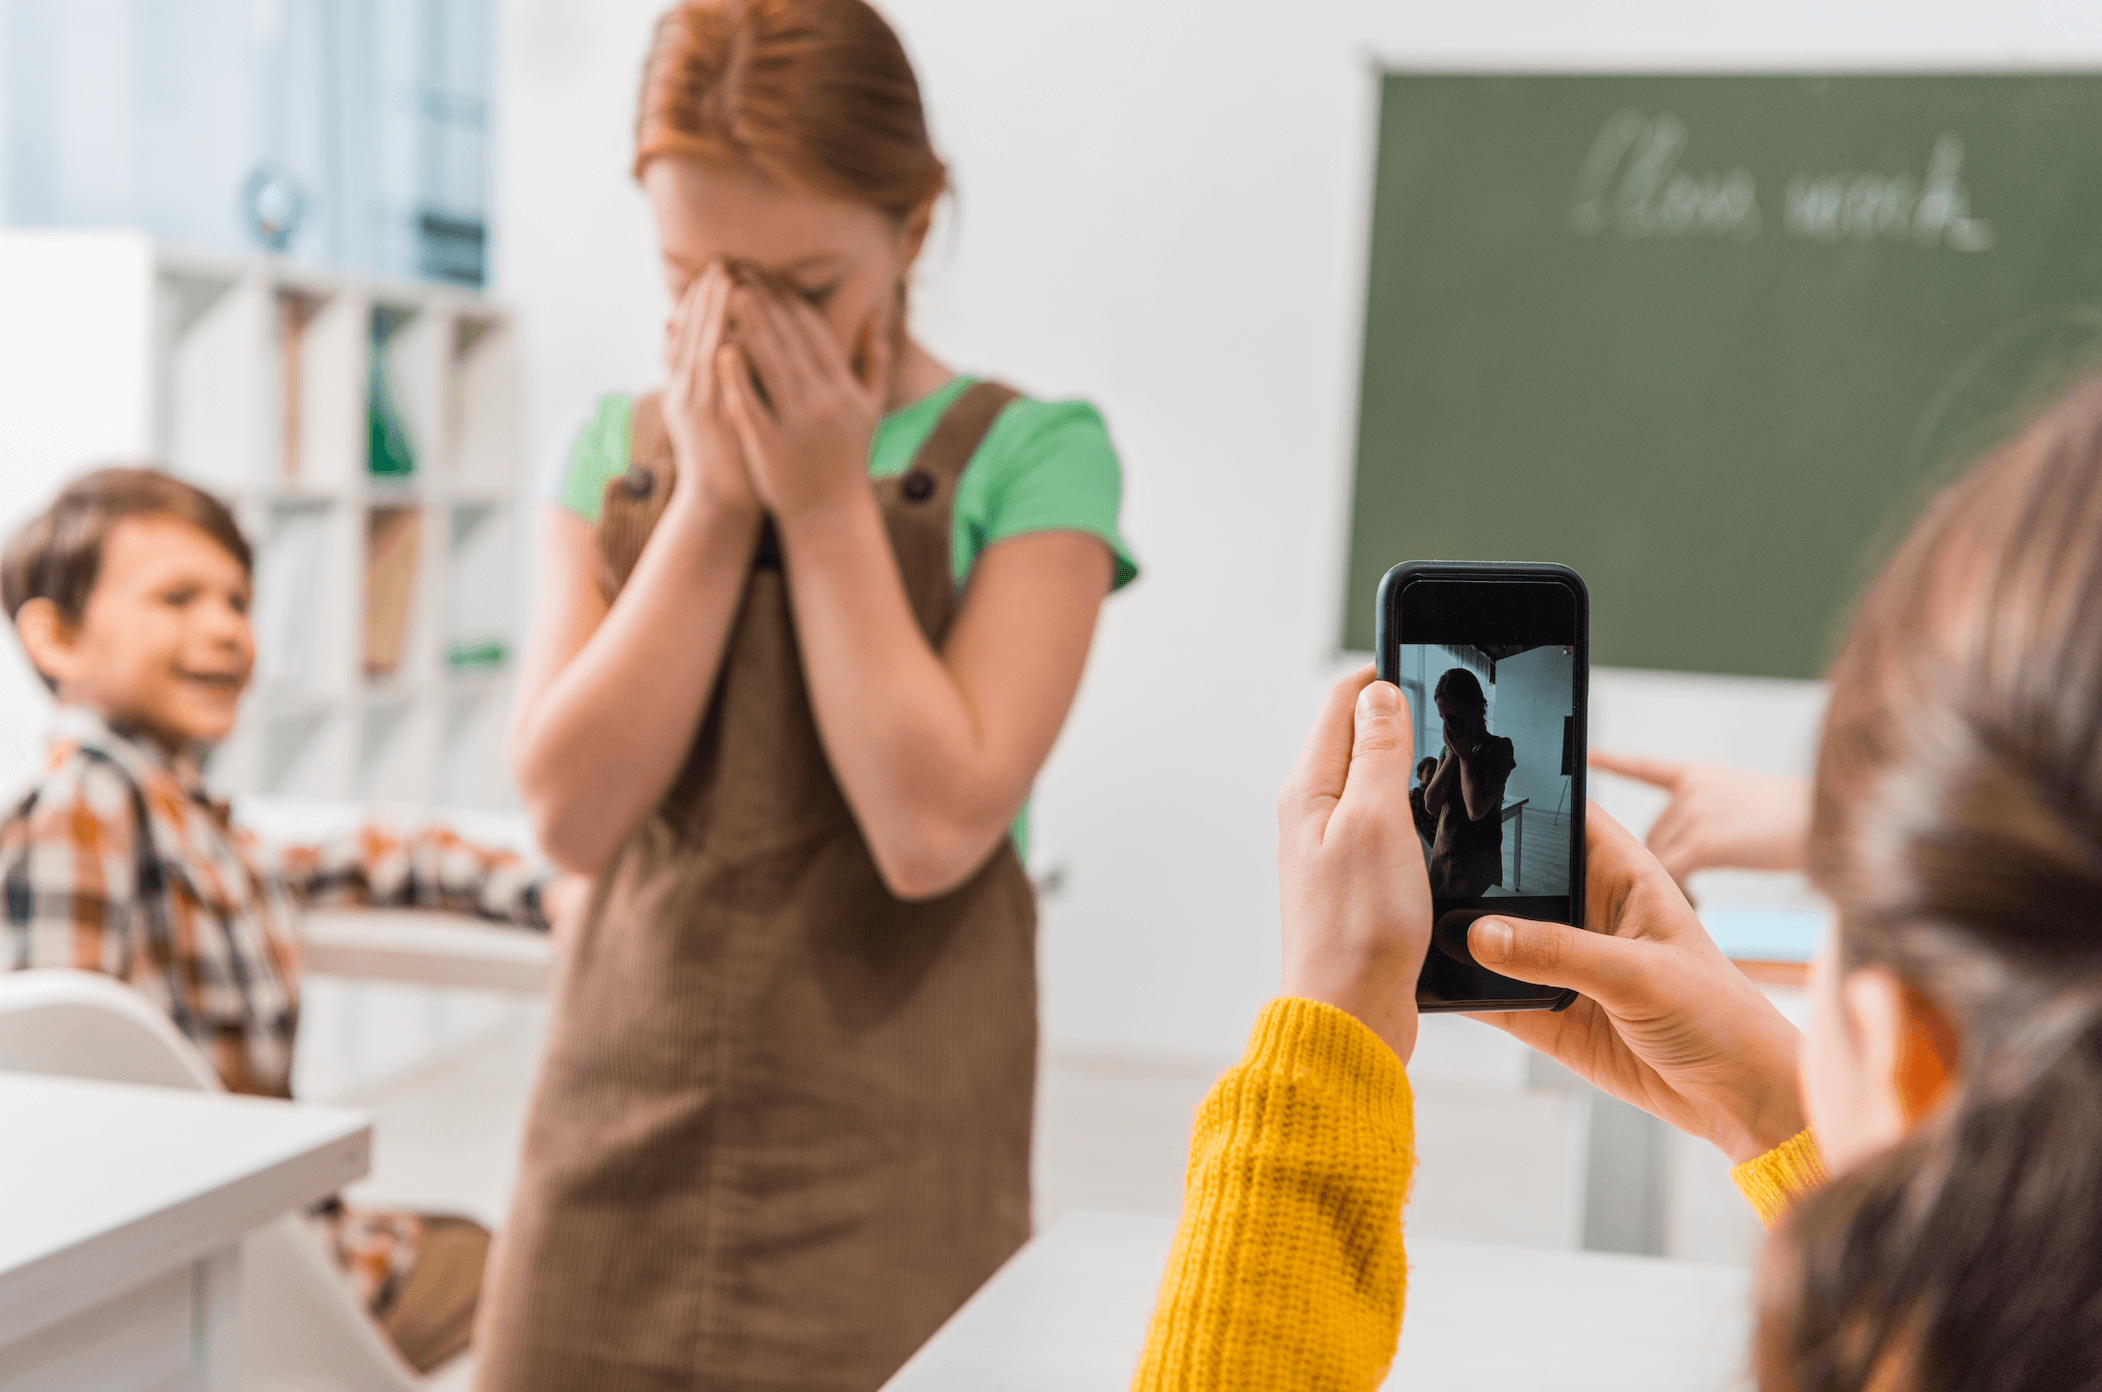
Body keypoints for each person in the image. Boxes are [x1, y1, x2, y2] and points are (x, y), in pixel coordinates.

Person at [1132, 378, 2102, 1391]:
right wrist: (1767, 1102)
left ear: (1891, 1047)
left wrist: (1329, 1034)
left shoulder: (1488, 752)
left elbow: (1467, 801)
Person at [480, 2, 1136, 1388]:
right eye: (693, 278)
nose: (741, 328)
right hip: (610, 1141)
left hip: (895, 1159)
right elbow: (568, 815)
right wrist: (716, 502)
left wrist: (824, 501)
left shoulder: (1033, 458)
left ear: (912, 233)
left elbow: (932, 827)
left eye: (806, 284)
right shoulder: (612, 449)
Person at [0, 467, 572, 1373]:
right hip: (228, 1272)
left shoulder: (180, 816)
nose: (227, 629)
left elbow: (372, 855)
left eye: (238, 600)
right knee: (545, 1274)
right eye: (178, 598)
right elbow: (80, 1091)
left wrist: (547, 889)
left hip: (266, 1241)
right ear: (57, 636)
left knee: (484, 1245)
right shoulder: (81, 810)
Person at [1420, 666, 1515, 896]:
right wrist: (1452, 755)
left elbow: (1476, 809)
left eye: (1454, 717)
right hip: (1442, 861)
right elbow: (1431, 805)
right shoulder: (1448, 752)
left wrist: (1463, 755)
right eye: (1443, 718)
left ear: (1476, 708)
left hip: (1478, 868)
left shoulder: (1499, 748)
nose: (1448, 727)